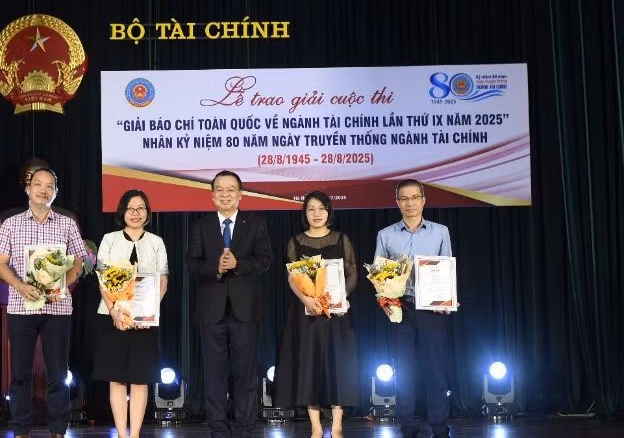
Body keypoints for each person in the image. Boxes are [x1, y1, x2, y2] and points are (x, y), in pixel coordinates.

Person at [0, 167, 85, 438]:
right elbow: (1, 264)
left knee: (58, 373)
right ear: (28, 189)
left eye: (49, 186)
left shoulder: (67, 223)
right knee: (20, 373)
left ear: (55, 192)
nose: (43, 190)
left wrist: (62, 284)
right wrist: (21, 287)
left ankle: (58, 430)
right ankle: (20, 430)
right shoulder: (11, 223)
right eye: (38, 185)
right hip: (21, 307)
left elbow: (79, 260)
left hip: (57, 308)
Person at [187, 170, 272, 437]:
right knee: (214, 374)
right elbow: (192, 265)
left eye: (231, 189)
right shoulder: (200, 226)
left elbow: (265, 259)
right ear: (212, 196)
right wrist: (217, 267)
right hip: (210, 310)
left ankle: (246, 428)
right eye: (220, 190)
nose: (225, 194)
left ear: (240, 195)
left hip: (245, 310)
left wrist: (238, 264)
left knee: (246, 373)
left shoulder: (256, 223)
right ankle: (218, 429)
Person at [274, 191, 359, 438]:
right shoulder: (296, 242)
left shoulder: (341, 239)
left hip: (336, 314)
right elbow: (292, 277)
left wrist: (341, 297)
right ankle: (315, 426)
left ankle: (337, 426)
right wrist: (306, 299)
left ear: (329, 211)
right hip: (307, 315)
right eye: (311, 209)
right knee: (309, 367)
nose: (316, 213)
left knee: (337, 366)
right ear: (305, 213)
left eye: (321, 208)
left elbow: (351, 271)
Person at [374, 179, 455, 438]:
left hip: (433, 311)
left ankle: (440, 428)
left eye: (414, 198)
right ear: (397, 202)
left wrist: (448, 298)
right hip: (402, 310)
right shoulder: (385, 235)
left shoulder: (440, 232)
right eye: (404, 199)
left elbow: (447, 269)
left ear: (423, 200)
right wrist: (385, 302)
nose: (410, 203)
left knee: (436, 373)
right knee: (404, 374)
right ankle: (407, 428)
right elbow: (380, 279)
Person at [93, 190, 168, 438]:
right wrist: (115, 310)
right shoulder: (109, 239)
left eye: (141, 208)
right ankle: (122, 435)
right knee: (116, 378)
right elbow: (103, 279)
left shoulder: (156, 242)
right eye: (130, 208)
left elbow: (163, 282)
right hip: (110, 317)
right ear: (122, 212)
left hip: (146, 321)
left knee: (140, 378)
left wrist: (146, 313)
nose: (135, 213)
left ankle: (134, 434)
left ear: (148, 212)